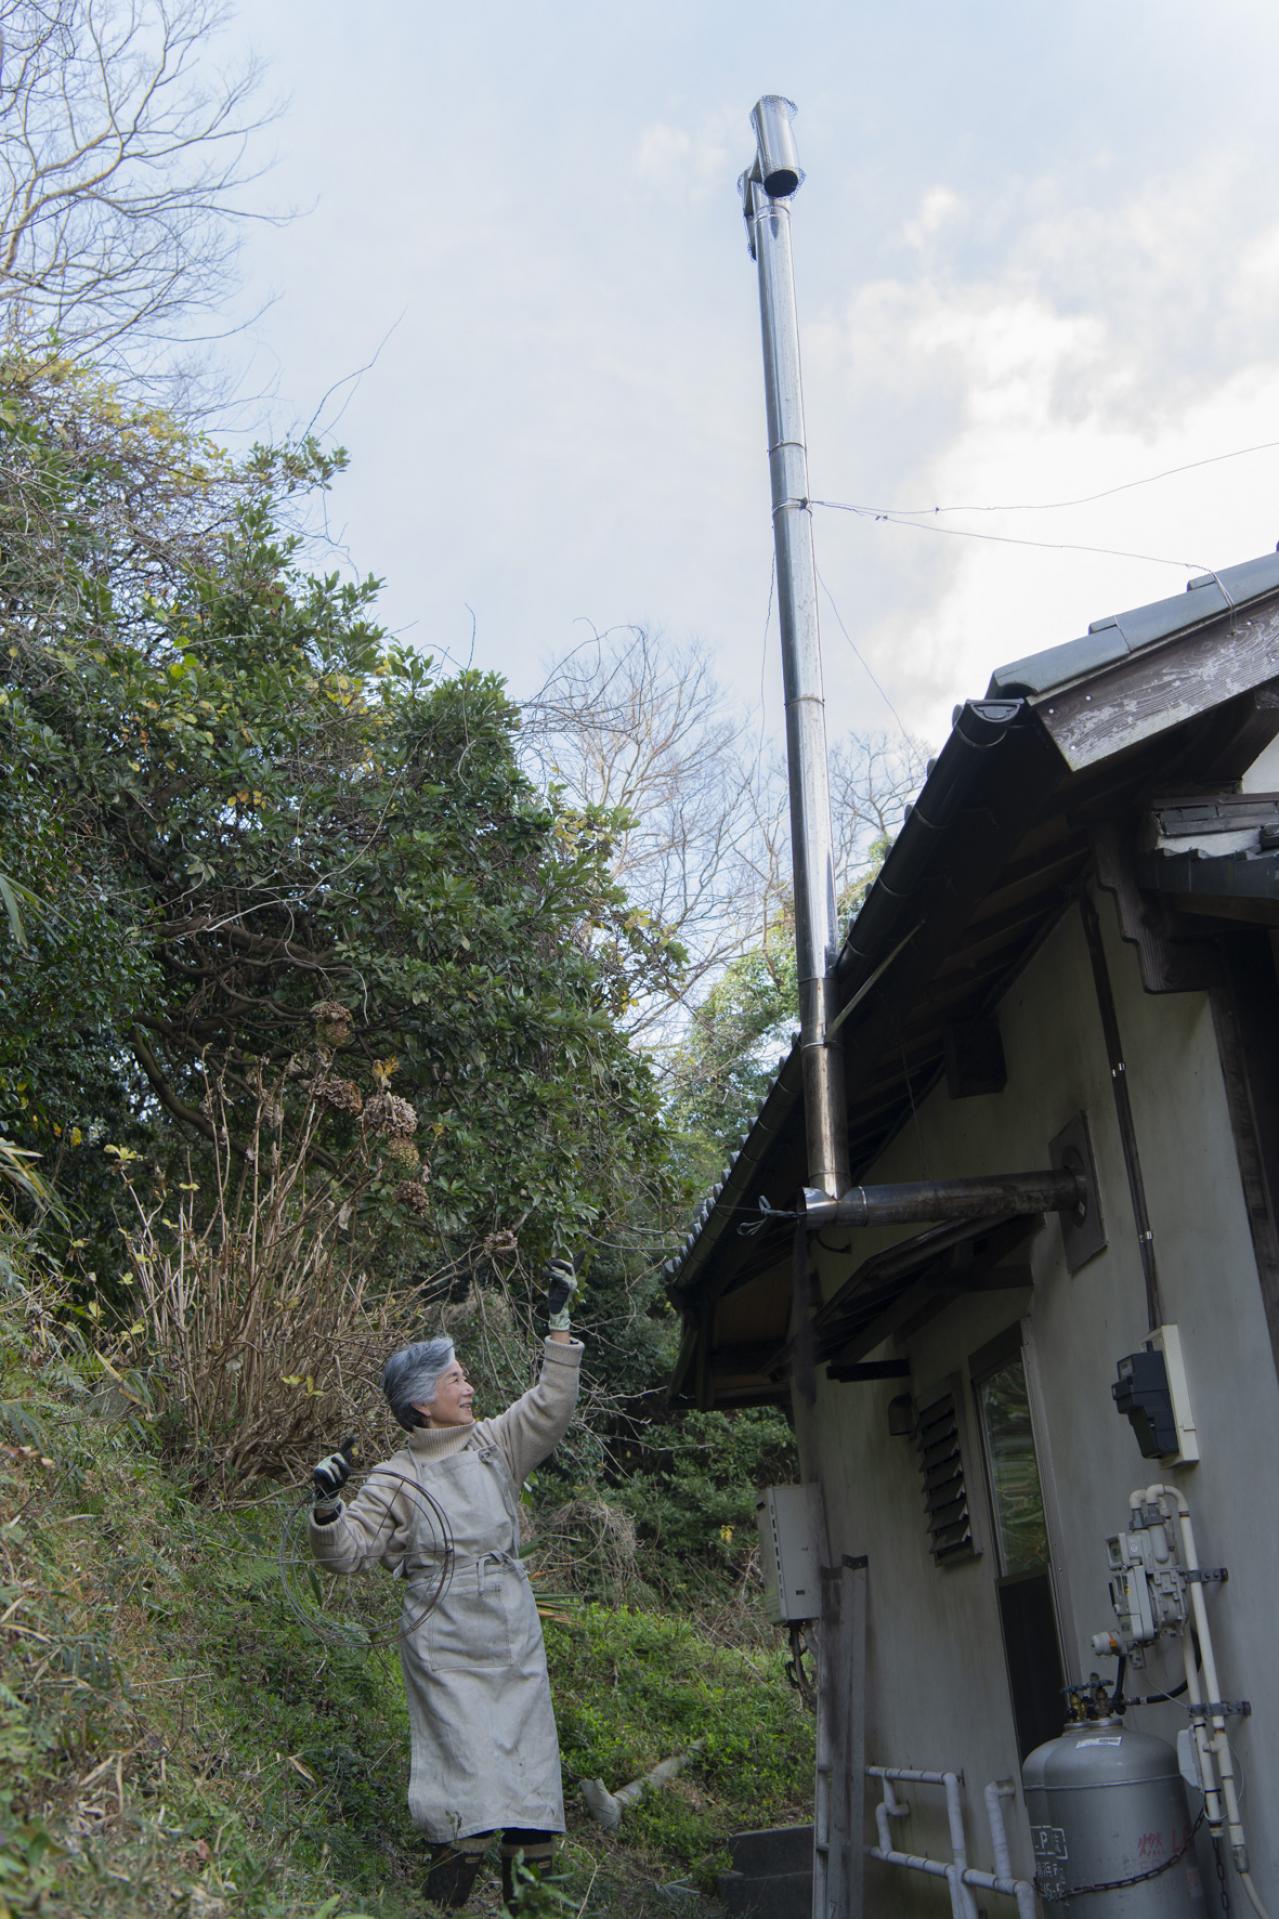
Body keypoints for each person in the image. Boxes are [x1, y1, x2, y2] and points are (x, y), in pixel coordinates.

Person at [308, 1260, 581, 1912]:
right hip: (443, 1642)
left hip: (511, 1632)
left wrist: (560, 1323)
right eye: (456, 1378)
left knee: (530, 1797)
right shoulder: (394, 1477)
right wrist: (326, 1507)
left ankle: (531, 1906)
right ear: (420, 1402)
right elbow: (346, 1554)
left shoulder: (494, 1443)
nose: (469, 1385)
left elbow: (549, 1402)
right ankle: (440, 1909)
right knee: (466, 1802)